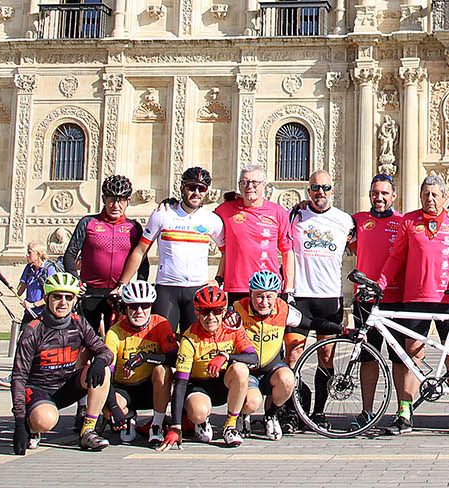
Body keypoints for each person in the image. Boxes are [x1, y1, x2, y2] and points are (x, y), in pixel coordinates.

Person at [375, 173, 449, 434]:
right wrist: (381, 282)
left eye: (435, 194)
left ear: (444, 197)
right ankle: (404, 413)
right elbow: (395, 257)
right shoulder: (409, 221)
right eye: (426, 194)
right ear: (420, 196)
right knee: (411, 357)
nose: (430, 199)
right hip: (415, 298)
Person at [9, 271, 113, 455]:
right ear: (47, 298)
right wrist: (19, 420)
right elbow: (18, 377)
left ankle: (88, 431)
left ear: (74, 300)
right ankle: (32, 426)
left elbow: (105, 351)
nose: (63, 302)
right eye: (57, 296)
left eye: (68, 297)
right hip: (39, 390)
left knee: (102, 371)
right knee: (46, 420)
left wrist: (100, 361)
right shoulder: (33, 330)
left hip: (66, 386)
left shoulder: (79, 323)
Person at [119, 166, 224, 333]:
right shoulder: (162, 214)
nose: (196, 192)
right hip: (167, 289)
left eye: (201, 188)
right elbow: (140, 250)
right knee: (163, 342)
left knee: (193, 343)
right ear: (182, 187)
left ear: (206, 192)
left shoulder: (212, 220)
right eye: (191, 187)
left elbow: (227, 252)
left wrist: (218, 279)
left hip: (197, 289)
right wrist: (122, 284)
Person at [287, 169, 353, 425]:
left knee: (326, 355)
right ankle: (295, 407)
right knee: (293, 355)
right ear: (308, 191)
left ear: (332, 190)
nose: (320, 193)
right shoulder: (295, 215)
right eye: (315, 188)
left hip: (329, 298)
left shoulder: (345, 221)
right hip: (300, 297)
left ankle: (319, 411)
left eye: (325, 188)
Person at [161, 284, 262, 449]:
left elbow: (253, 358)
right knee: (198, 412)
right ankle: (200, 422)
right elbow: (180, 384)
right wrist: (175, 426)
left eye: (216, 311)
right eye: (205, 311)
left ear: (224, 311)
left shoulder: (233, 329)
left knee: (249, 392)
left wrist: (225, 356)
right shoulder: (189, 339)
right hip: (201, 385)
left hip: (227, 383)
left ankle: (230, 426)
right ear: (196, 312)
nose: (211, 317)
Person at [349, 173, 403, 427]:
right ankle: (367, 410)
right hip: (365, 298)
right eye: (375, 192)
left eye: (384, 193)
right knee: (367, 355)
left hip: (395, 297)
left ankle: (403, 411)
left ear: (394, 196)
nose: (379, 197)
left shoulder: (403, 222)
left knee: (399, 357)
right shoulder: (357, 221)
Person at [64, 174, 145, 333]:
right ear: (103, 199)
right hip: (90, 291)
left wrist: (138, 289)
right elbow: (70, 255)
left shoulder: (134, 227)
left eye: (121, 200)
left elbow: (143, 262)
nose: (116, 205)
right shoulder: (88, 222)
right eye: (111, 199)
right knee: (87, 341)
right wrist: (75, 281)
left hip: (118, 293)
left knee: (115, 342)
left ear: (128, 201)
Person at [231, 270, 303, 441]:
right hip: (248, 372)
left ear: (276, 296)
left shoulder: (283, 309)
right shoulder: (237, 309)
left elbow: (310, 323)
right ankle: (243, 414)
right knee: (251, 403)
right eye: (259, 296)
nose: (264, 302)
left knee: (288, 379)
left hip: (272, 370)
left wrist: (342, 330)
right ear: (250, 294)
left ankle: (271, 415)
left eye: (269, 297)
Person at [102, 279, 175, 447]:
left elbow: (174, 359)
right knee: (113, 415)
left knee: (163, 370)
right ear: (126, 308)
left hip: (151, 386)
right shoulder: (114, 332)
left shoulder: (160, 324)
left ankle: (156, 424)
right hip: (123, 388)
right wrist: (113, 407)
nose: (139, 311)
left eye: (145, 306)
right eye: (134, 307)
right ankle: (129, 417)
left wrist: (145, 357)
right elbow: (107, 373)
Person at [215, 164, 294, 303]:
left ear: (264, 185)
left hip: (268, 288)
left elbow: (287, 252)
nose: (249, 186)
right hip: (237, 288)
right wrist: (173, 205)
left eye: (254, 182)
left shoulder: (278, 212)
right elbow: (199, 219)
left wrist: (288, 289)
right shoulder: (225, 210)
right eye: (244, 182)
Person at [16, 241, 58, 323]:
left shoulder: (49, 269)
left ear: (38, 254)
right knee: (23, 335)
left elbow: (53, 294)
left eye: (29, 252)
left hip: (44, 314)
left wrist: (33, 305)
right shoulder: (28, 268)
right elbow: (18, 291)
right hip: (29, 313)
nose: (27, 255)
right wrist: (1, 293)